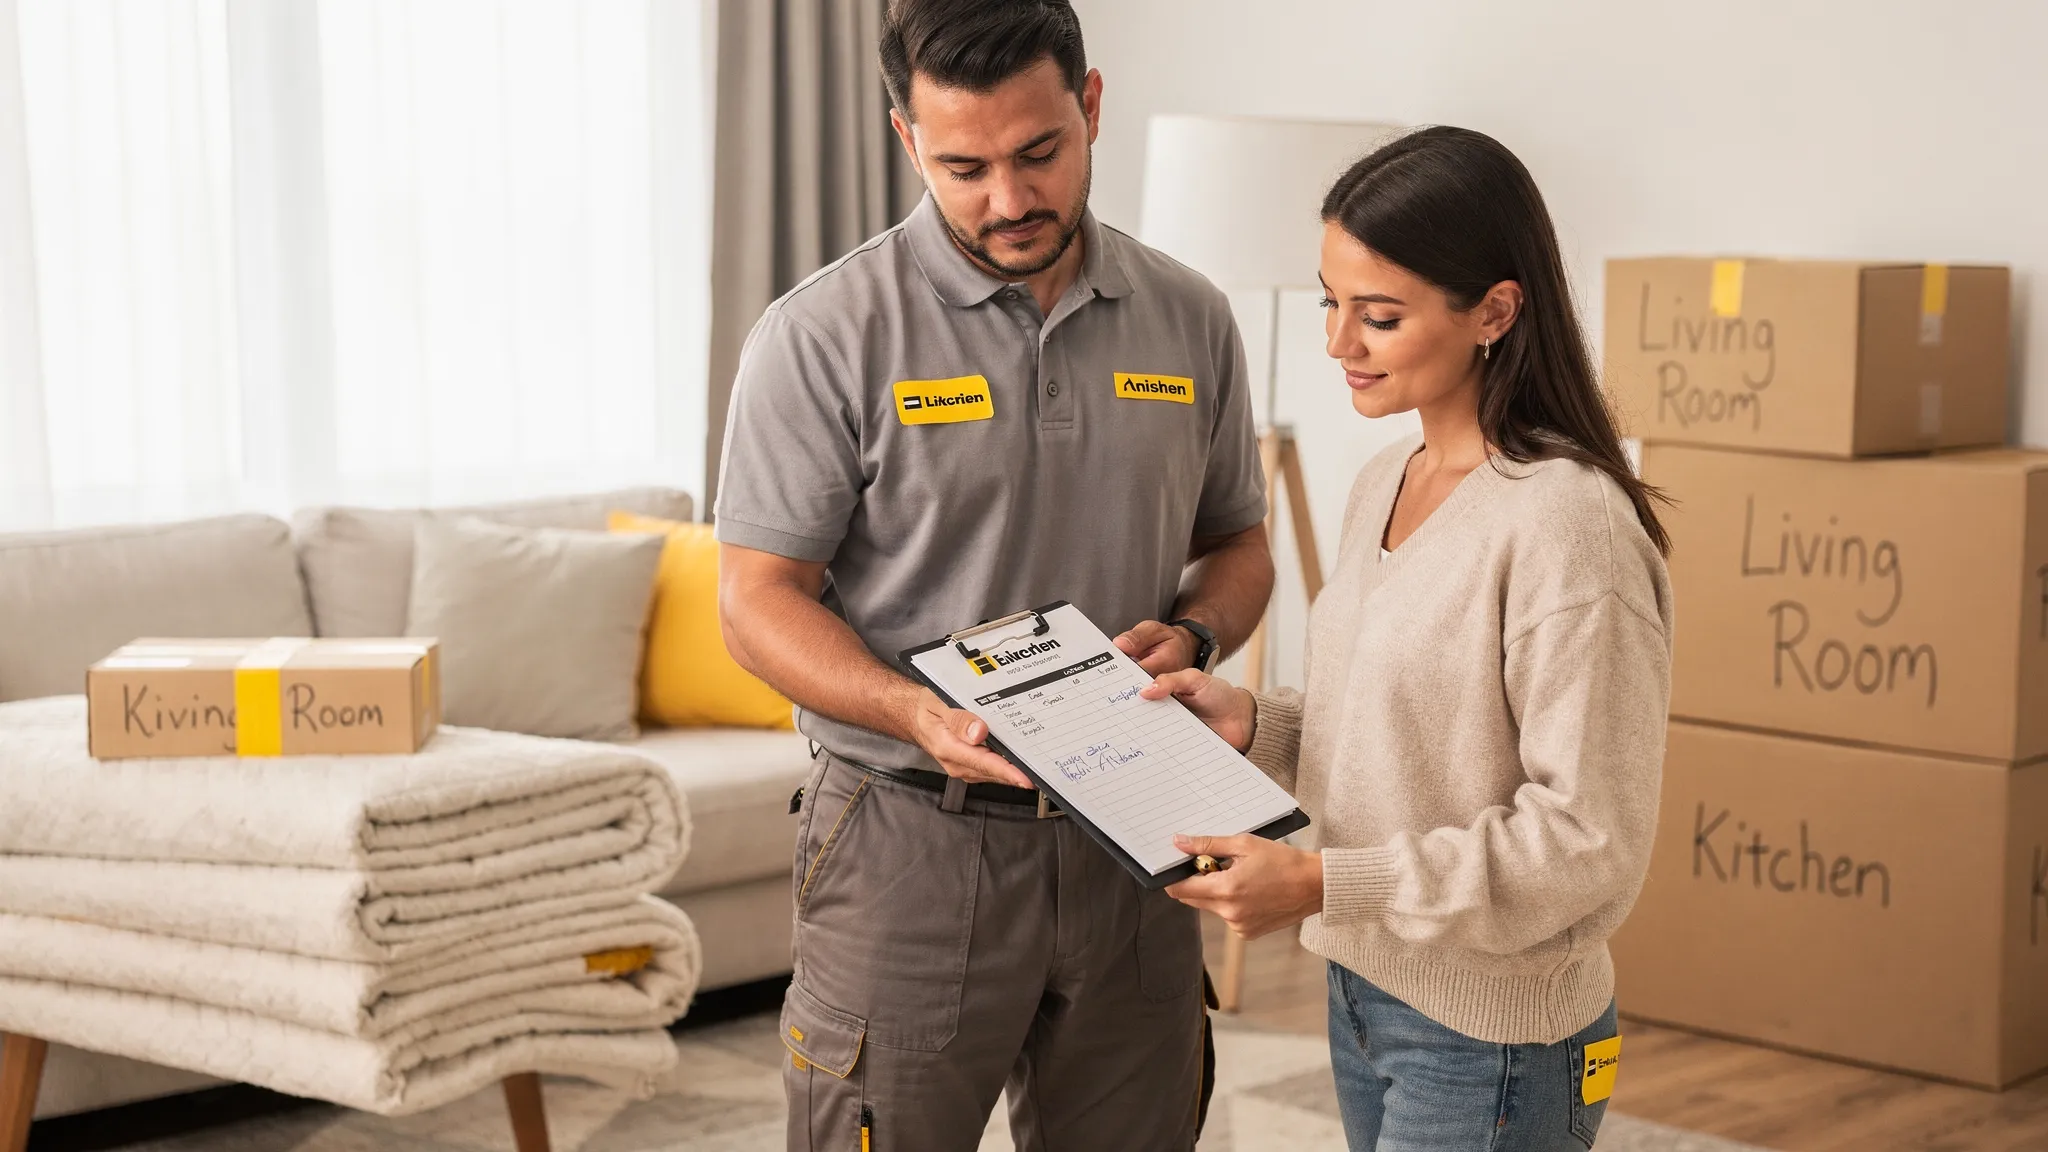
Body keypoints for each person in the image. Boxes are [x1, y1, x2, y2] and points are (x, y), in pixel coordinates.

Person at [712, 1, 1274, 1147]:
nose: (1008, 201)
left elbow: (1237, 542)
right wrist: (913, 711)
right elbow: (757, 597)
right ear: (905, 139)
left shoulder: (1190, 318)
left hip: (1134, 831)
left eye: (1038, 154)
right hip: (907, 839)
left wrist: (1199, 632)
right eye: (963, 166)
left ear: (1092, 107)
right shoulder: (822, 336)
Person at [1143, 126, 1674, 1151]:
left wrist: (1320, 880)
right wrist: (1251, 719)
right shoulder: (1381, 482)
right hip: (1365, 989)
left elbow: (1585, 840)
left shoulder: (1569, 526)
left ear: (1494, 311)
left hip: (1492, 1037)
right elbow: (1404, 727)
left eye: (1377, 317)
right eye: (1328, 303)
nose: (1338, 344)